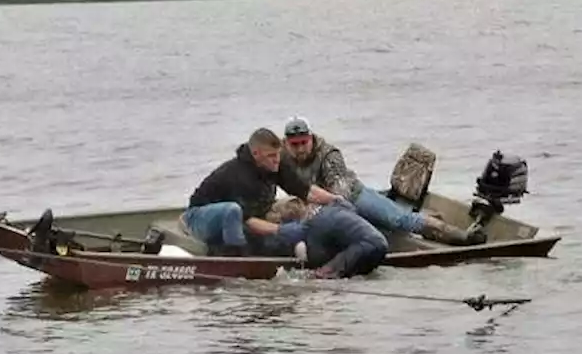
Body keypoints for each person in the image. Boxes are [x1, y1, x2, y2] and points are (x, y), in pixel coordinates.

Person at [280, 116, 486, 246]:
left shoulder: (328, 154)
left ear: (311, 138)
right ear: (287, 143)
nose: (299, 149)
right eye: (294, 144)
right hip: (320, 206)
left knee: (400, 220)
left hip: (353, 196)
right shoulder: (281, 157)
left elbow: (339, 190)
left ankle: (460, 236)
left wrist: (313, 210)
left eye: (303, 143)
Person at [182, 127, 345, 256]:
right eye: (271, 156)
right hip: (199, 218)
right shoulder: (238, 175)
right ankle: (237, 257)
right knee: (232, 212)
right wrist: (281, 231)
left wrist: (335, 199)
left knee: (294, 206)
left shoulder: (276, 163)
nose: (277, 160)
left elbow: (307, 191)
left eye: (278, 154)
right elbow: (248, 221)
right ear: (256, 154)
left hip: (251, 213)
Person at [260, 196, 389, 278]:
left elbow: (316, 258)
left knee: (319, 276)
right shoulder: (327, 210)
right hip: (381, 244)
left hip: (363, 246)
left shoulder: (310, 227)